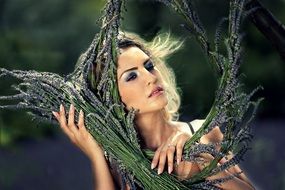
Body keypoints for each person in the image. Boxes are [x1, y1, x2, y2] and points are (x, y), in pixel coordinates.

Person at [52, 32, 255, 190]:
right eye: (131, 76)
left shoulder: (203, 132)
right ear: (111, 100)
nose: (151, 77)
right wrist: (96, 155)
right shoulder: (117, 165)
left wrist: (199, 155)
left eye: (148, 66)